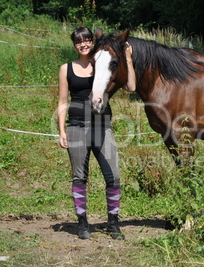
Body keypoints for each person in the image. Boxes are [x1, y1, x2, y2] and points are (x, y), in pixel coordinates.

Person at [57, 26, 135, 239]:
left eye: (87, 40)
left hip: (103, 126)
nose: (83, 44)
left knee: (114, 176)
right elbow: (63, 101)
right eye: (78, 41)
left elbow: (131, 87)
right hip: (77, 126)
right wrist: (62, 130)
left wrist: (127, 57)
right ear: (74, 45)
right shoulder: (66, 69)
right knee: (79, 177)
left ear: (93, 42)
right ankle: (82, 223)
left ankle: (113, 222)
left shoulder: (101, 62)